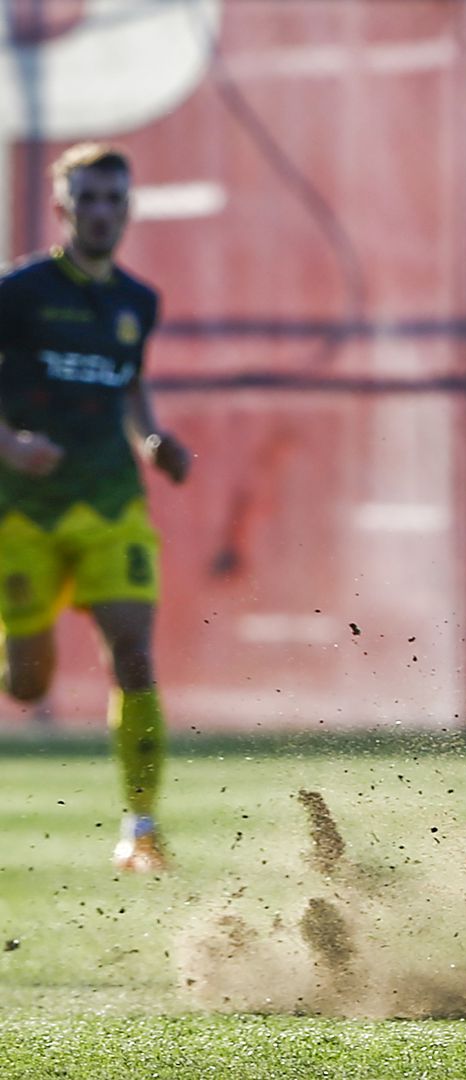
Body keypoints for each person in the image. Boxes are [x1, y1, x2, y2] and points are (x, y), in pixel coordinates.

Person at [0, 143, 191, 870]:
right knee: (28, 682)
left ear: (129, 209)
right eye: (89, 198)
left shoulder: (137, 302)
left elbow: (130, 388)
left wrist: (151, 439)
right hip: (23, 512)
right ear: (62, 208)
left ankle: (141, 827)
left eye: (115, 198)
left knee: (134, 656)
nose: (103, 212)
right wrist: (10, 445)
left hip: (111, 503)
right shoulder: (18, 293)